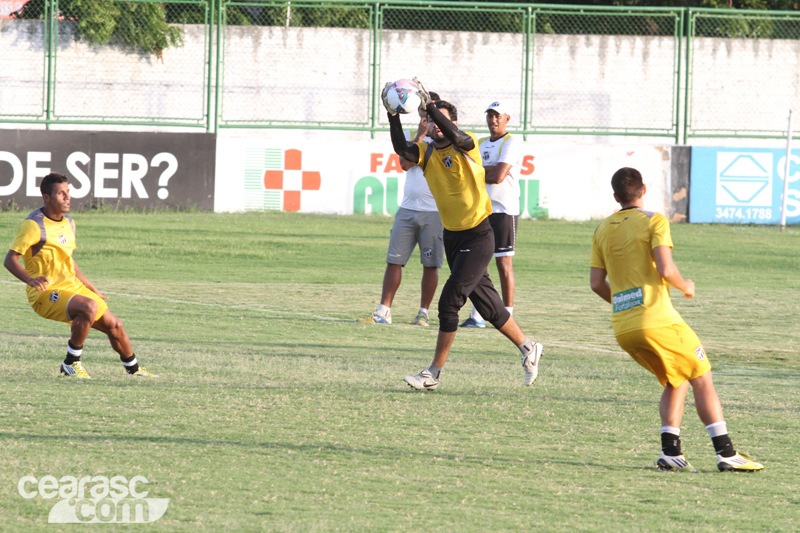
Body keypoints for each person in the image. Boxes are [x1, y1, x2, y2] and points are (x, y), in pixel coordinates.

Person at [589, 167, 763, 472]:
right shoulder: (654, 219)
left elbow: (595, 283)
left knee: (676, 380)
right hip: (658, 321)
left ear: (616, 196)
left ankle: (670, 453)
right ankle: (726, 453)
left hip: (624, 328)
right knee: (702, 377)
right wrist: (687, 286)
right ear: (644, 189)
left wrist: (621, 305)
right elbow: (667, 269)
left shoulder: (602, 229)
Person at [382, 78, 543, 390]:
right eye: (429, 120)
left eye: (439, 119)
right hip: (453, 239)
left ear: (450, 122)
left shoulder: (466, 144)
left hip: (478, 237)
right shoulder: (426, 152)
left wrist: (430, 106)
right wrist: (392, 115)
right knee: (489, 306)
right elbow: (402, 149)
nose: (434, 125)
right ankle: (528, 347)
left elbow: (454, 133)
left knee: (449, 302)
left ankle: (433, 374)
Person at [4, 172, 158, 379]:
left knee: (115, 325)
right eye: (61, 193)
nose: (67, 197)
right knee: (88, 307)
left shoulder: (69, 224)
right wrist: (30, 280)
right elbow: (10, 259)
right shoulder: (33, 225)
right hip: (44, 293)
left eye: (68, 192)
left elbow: (69, 261)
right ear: (47, 198)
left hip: (72, 288)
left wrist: (90, 286)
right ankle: (71, 363)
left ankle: (135, 370)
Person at [361, 92, 444, 327]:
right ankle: (383, 311)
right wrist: (419, 135)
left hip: (434, 212)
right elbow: (405, 164)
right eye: (424, 112)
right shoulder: (411, 136)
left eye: (431, 112)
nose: (427, 116)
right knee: (394, 261)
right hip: (407, 210)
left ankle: (423, 313)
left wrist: (430, 136)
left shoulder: (444, 138)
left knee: (430, 264)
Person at [461, 101, 521, 328]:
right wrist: (482, 170)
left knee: (504, 264)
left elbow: (498, 176)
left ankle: (508, 314)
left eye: (497, 116)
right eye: (490, 116)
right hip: (482, 210)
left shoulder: (511, 142)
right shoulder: (481, 142)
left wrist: (477, 171)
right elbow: (468, 171)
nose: (493, 120)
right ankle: (478, 316)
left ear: (507, 118)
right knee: (480, 264)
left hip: (504, 210)